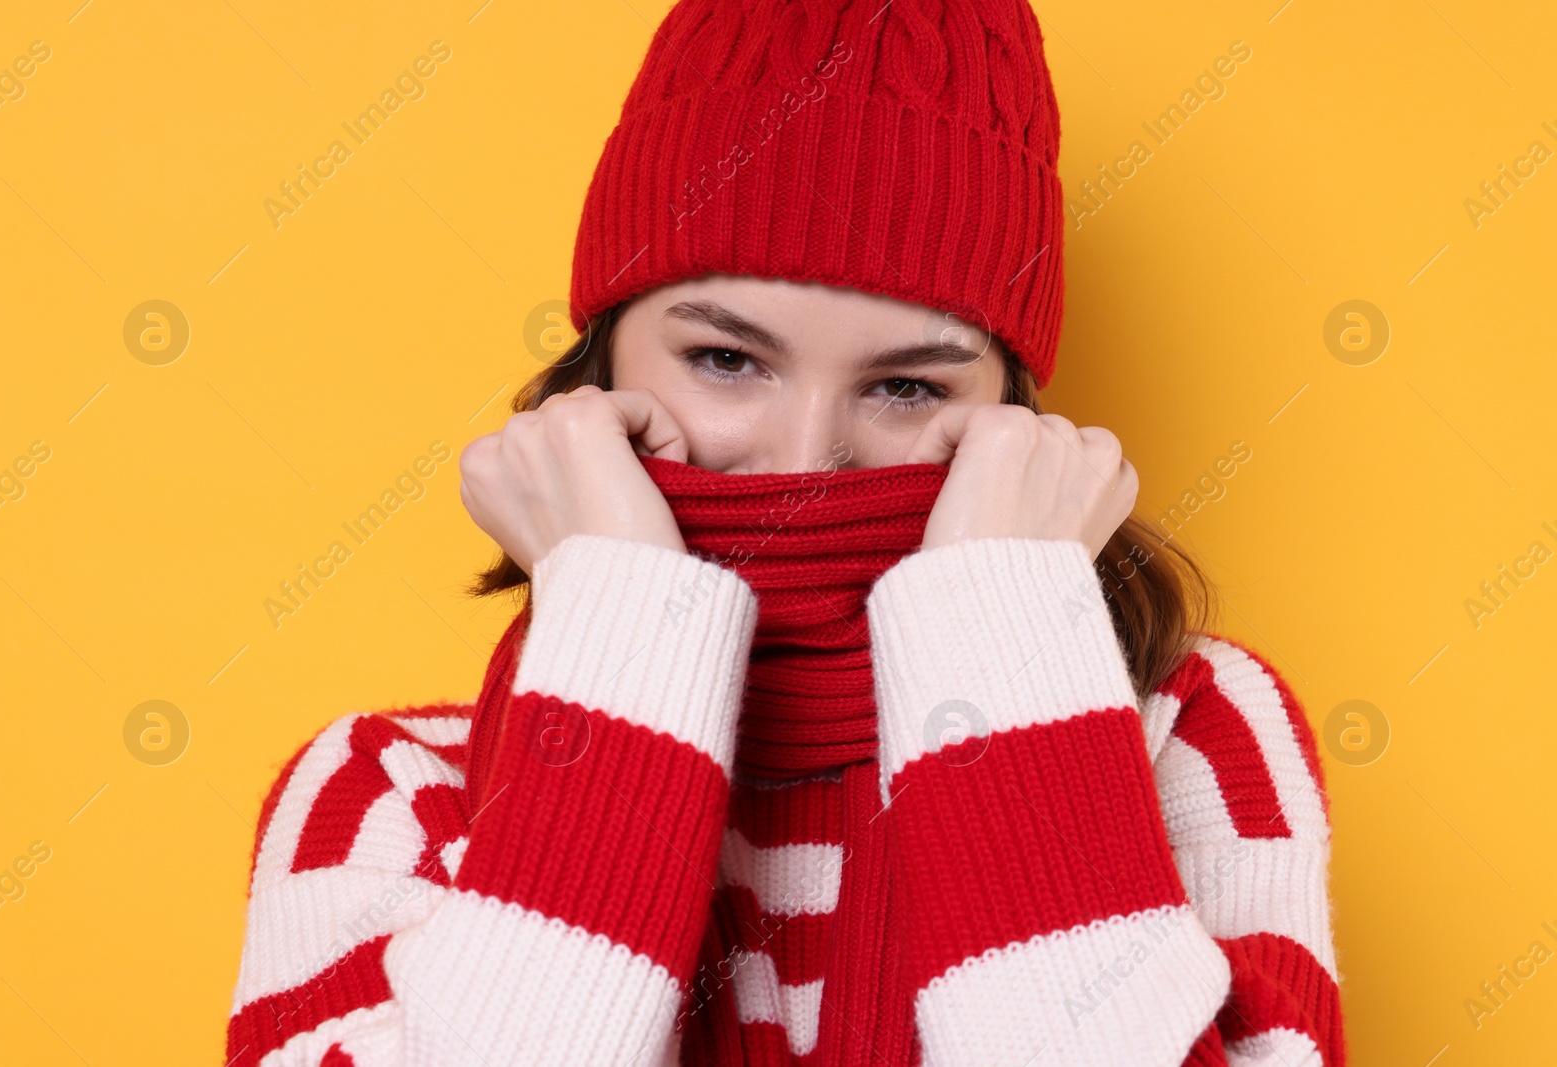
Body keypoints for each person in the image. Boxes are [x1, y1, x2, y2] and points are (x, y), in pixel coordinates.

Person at [223, 1, 1345, 1064]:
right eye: (724, 358)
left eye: (906, 386)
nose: (808, 460)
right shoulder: (387, 788)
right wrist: (621, 634)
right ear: (598, 374)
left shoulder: (1181, 735)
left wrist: (1003, 637)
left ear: (1014, 424)